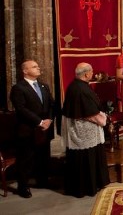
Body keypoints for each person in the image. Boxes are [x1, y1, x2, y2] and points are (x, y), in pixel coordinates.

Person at [61, 63, 109, 198]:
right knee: (86, 158)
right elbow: (90, 113)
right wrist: (103, 119)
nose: (93, 74)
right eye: (91, 72)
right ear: (86, 74)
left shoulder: (75, 85)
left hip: (79, 129)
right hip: (84, 131)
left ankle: (90, 185)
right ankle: (87, 187)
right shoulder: (81, 89)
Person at [9, 60, 55, 198]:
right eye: (34, 66)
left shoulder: (44, 86)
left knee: (43, 156)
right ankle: (23, 186)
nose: (38, 68)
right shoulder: (18, 88)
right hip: (27, 129)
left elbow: (51, 105)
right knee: (26, 159)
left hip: (44, 128)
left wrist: (49, 120)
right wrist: (39, 121)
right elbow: (21, 109)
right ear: (25, 71)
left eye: (37, 65)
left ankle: (43, 181)